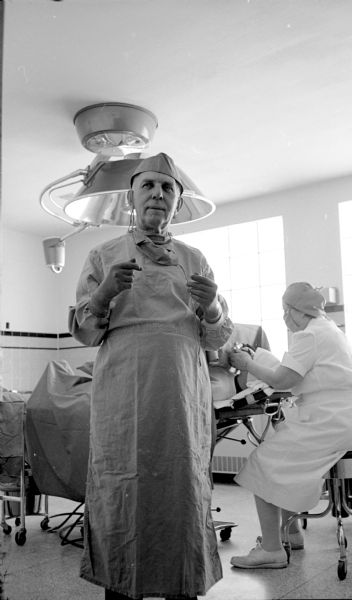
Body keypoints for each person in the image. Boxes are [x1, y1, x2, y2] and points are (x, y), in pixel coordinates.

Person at [68, 153, 233, 599]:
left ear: (178, 203)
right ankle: (122, 586)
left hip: (182, 394)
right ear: (131, 198)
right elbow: (85, 332)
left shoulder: (195, 259)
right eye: (148, 187)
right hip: (124, 396)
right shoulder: (103, 256)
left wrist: (213, 306)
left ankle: (184, 586)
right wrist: (103, 293)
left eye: (167, 188)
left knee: (181, 492)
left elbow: (216, 337)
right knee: (123, 490)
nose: (158, 195)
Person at [227, 282, 352, 569]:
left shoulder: (310, 335)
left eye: (285, 311)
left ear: (295, 311)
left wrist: (247, 362)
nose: (284, 317)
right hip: (350, 421)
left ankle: (271, 550)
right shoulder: (330, 331)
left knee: (263, 465)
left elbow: (284, 380)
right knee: (284, 464)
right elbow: (305, 375)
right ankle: (290, 533)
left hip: (329, 423)